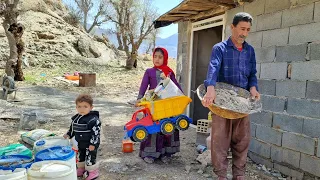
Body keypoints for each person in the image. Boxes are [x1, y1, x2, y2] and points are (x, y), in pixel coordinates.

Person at [202, 12, 260, 180]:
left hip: (242, 103)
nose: (244, 33)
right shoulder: (219, 48)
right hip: (222, 104)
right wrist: (210, 88)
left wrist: (254, 88)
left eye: (248, 30)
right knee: (220, 142)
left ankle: (239, 175)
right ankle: (221, 175)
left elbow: (252, 74)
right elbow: (213, 67)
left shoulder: (250, 51)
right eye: (241, 28)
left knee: (242, 141)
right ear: (232, 27)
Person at [136, 47, 182, 164]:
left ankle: (166, 153)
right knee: (152, 128)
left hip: (167, 105)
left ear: (165, 58)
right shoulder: (149, 72)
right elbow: (143, 86)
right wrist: (139, 98)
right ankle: (150, 154)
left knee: (167, 127)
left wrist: (181, 97)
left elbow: (176, 87)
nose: (157, 59)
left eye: (160, 57)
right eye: (155, 56)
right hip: (153, 105)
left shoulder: (169, 72)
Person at [64, 94, 101, 180]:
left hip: (90, 143)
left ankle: (92, 171)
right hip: (80, 142)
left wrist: (93, 144)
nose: (82, 109)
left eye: (85, 106)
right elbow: (72, 129)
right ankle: (81, 168)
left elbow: (96, 133)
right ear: (76, 107)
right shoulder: (75, 119)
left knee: (90, 157)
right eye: (79, 106)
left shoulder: (93, 120)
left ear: (91, 107)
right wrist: (68, 134)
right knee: (81, 155)